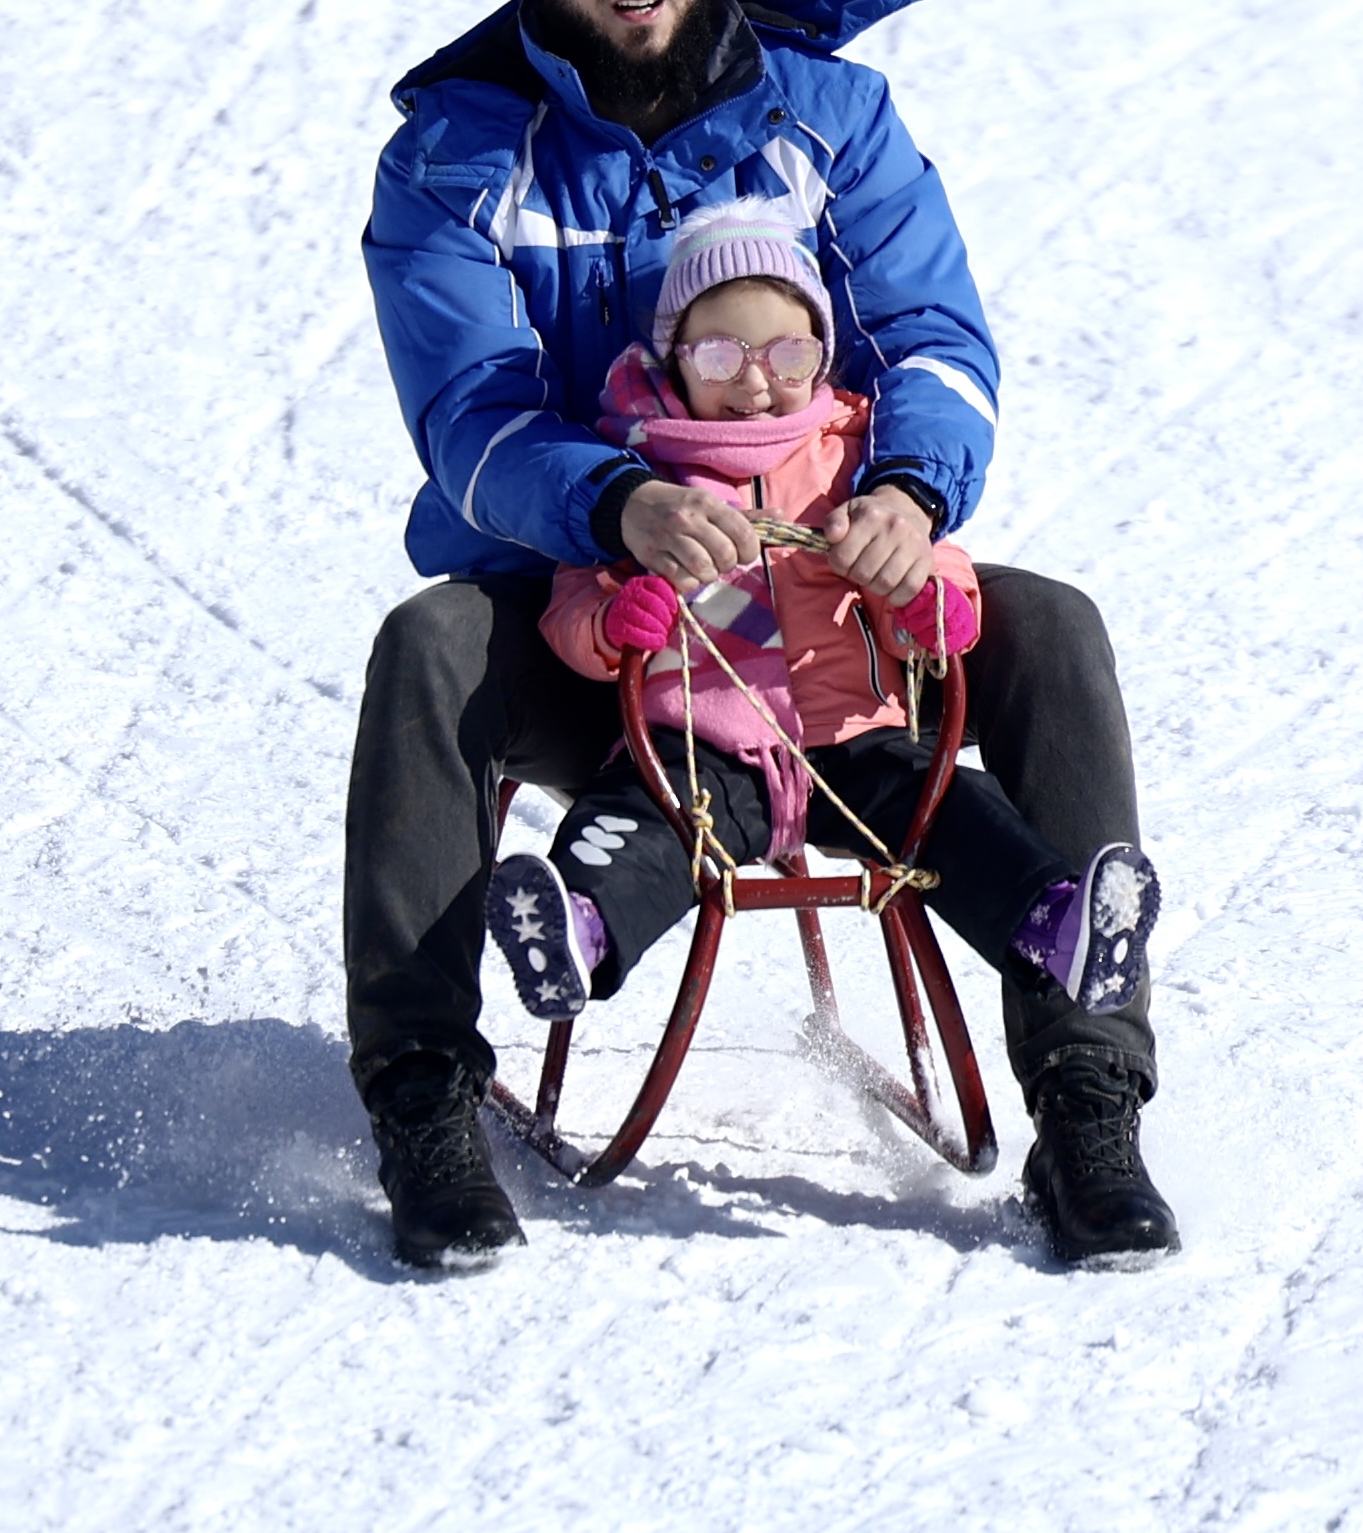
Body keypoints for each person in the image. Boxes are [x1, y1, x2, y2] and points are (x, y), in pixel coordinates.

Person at [347, 0, 1175, 1271]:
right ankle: (420, 1097)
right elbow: (467, 415)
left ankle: (1088, 1092)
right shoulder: (456, 163)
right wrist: (615, 502)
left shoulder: (829, 118)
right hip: (590, 627)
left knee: (1048, 621)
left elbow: (934, 337)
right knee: (428, 646)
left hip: (830, 615)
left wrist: (908, 498)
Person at [486, 209, 1159, 1031]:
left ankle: (1055, 926)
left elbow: (932, 570)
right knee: (636, 822)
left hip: (855, 736)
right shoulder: (640, 476)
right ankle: (577, 930)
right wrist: (613, 622)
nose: (754, 382)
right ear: (674, 358)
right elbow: (572, 602)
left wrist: (921, 600)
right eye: (719, 354)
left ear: (820, 355)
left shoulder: (847, 459)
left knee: (954, 808)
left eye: (787, 354)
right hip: (700, 745)